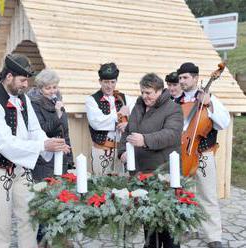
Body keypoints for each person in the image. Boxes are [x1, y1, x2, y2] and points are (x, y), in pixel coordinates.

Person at [0, 54, 70, 248]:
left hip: (21, 168)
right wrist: (43, 146)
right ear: (9, 77)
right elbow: (5, 143)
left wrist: (50, 142)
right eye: (22, 80)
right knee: (0, 223)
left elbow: (35, 130)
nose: (26, 85)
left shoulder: (23, 99)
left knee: (30, 217)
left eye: (27, 80)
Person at [118, 73, 183, 248]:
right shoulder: (138, 106)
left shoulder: (173, 108)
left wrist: (145, 140)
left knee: (168, 225)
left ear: (160, 91)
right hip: (141, 173)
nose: (145, 96)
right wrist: (123, 151)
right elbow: (127, 132)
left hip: (164, 174)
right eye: (143, 92)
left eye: (149, 93)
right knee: (148, 222)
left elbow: (171, 134)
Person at [176, 62, 230, 248]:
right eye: (180, 78)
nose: (182, 81)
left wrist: (210, 105)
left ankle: (214, 236)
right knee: (183, 194)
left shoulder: (212, 99)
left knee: (208, 195)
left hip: (203, 154)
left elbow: (223, 123)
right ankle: (187, 227)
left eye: (185, 78)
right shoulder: (175, 102)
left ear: (196, 78)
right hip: (183, 153)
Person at [27, 69, 74, 247]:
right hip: (44, 160)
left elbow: (64, 130)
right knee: (44, 200)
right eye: (48, 88)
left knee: (59, 198)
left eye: (55, 87)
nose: (53, 91)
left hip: (60, 157)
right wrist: (57, 114)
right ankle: (41, 240)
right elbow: (43, 130)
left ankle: (57, 237)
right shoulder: (34, 104)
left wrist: (70, 158)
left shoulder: (57, 101)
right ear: (40, 88)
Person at [85, 62, 134, 176]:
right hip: (102, 149)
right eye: (106, 82)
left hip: (122, 150)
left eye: (113, 82)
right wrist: (119, 115)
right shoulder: (92, 100)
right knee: (101, 185)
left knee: (121, 185)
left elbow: (138, 118)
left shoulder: (126, 98)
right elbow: (97, 122)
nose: (109, 85)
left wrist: (128, 125)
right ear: (100, 81)